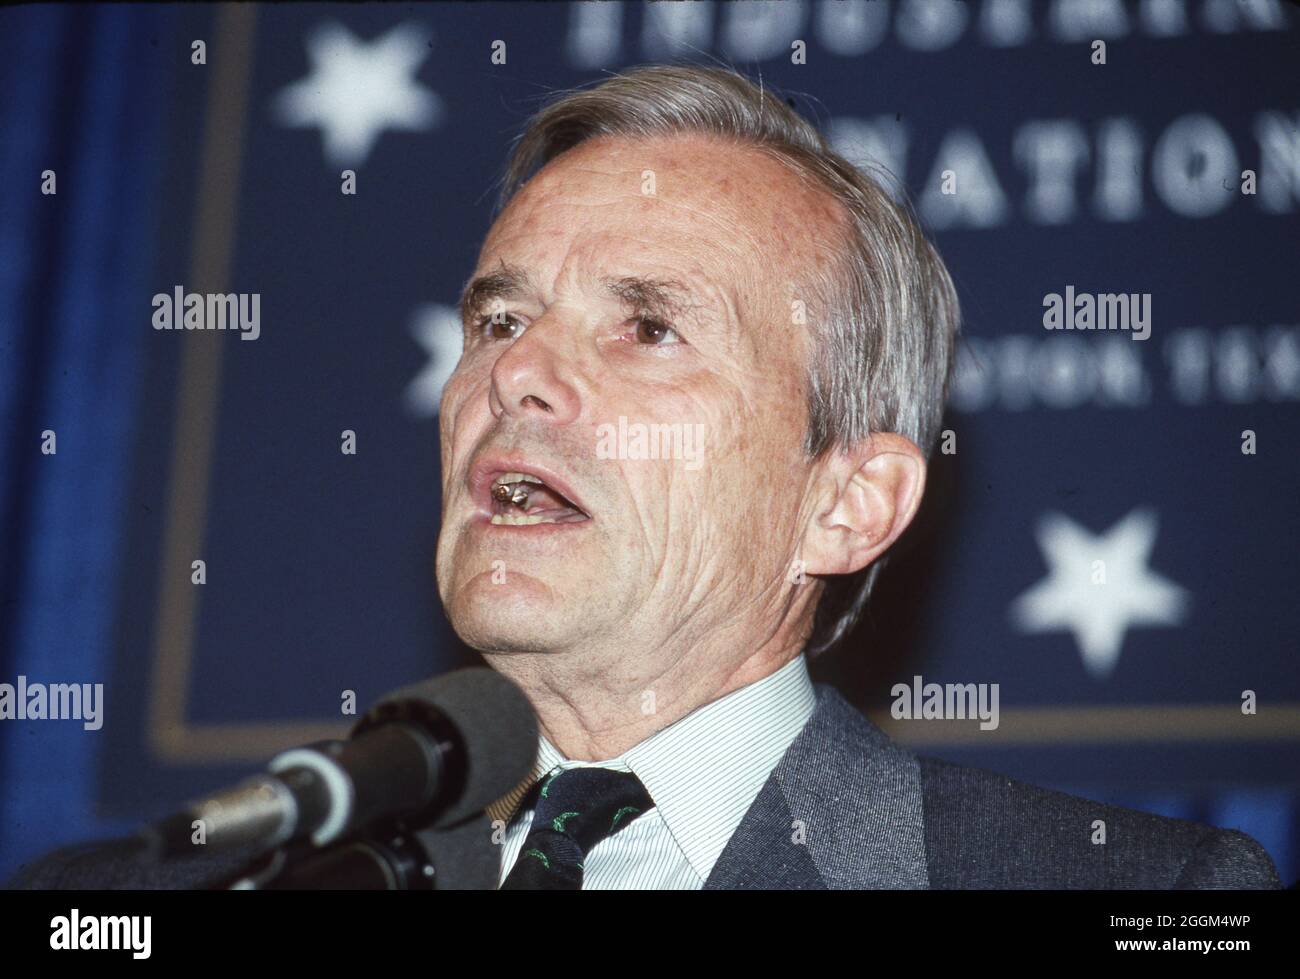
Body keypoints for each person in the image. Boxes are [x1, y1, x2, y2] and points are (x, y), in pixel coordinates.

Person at [12, 64, 1281, 890]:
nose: (516, 381)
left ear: (846, 503)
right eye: (501, 323)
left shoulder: (1138, 895)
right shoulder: (272, 865)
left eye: (648, 328)